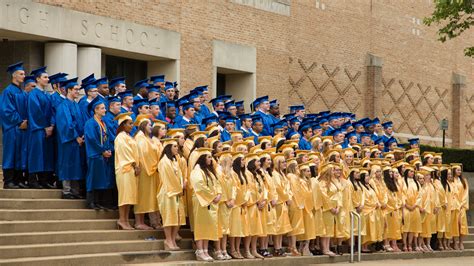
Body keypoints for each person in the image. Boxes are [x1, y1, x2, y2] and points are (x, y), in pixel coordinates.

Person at [56, 78, 86, 199]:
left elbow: (81, 122)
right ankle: (66, 191)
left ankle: (75, 191)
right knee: (67, 164)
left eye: (78, 90)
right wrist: (76, 137)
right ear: (68, 90)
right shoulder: (63, 106)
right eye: (75, 89)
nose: (78, 92)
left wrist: (82, 135)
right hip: (68, 141)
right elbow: (66, 124)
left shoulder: (76, 105)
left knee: (76, 166)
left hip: (77, 141)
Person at [190, 148, 222, 262]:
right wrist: (213, 196)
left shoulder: (209, 171)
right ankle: (200, 251)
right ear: (203, 158)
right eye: (209, 157)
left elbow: (217, 183)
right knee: (201, 225)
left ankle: (205, 250)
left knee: (208, 226)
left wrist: (219, 194)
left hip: (211, 201)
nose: (211, 159)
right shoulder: (197, 170)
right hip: (201, 201)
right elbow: (200, 185)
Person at [28, 66, 56, 189]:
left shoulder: (47, 94)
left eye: (47, 77)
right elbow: (35, 112)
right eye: (45, 77)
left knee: (45, 154)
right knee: (36, 154)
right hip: (37, 129)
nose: (47, 79)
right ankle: (33, 180)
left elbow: (52, 112)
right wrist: (45, 127)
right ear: (38, 79)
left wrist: (51, 125)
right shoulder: (33, 94)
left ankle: (44, 180)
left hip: (47, 129)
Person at [1, 62, 27, 189]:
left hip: (22, 129)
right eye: (21, 74)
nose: (24, 76)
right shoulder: (8, 91)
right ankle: (9, 181)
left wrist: (26, 121)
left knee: (20, 153)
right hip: (12, 128)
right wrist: (19, 121)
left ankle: (18, 179)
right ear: (14, 75)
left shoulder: (21, 92)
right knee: (11, 153)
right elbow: (7, 110)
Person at [157, 138, 186, 250]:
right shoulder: (164, 162)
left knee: (178, 218)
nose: (177, 148)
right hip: (168, 193)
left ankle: (173, 240)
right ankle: (168, 241)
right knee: (169, 218)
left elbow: (180, 175)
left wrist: (182, 183)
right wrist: (179, 187)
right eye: (174, 146)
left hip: (177, 192)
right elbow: (169, 179)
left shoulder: (174, 161)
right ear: (168, 148)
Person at [114, 112, 140, 230]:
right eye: (130, 124)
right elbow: (125, 153)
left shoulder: (128, 136)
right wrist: (134, 164)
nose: (132, 126)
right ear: (123, 125)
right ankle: (122, 219)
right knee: (124, 196)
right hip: (125, 169)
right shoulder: (120, 137)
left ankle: (125, 220)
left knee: (129, 196)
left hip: (131, 169)